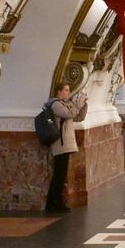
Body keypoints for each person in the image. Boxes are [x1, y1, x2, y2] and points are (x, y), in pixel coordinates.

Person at [47, 82, 88, 212]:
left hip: (66, 144)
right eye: (65, 90)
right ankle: (53, 203)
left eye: (68, 90)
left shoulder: (67, 104)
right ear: (58, 92)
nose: (68, 93)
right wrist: (78, 103)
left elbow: (79, 117)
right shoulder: (55, 104)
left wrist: (84, 104)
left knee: (61, 174)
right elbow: (68, 114)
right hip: (60, 143)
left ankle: (55, 202)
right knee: (58, 175)